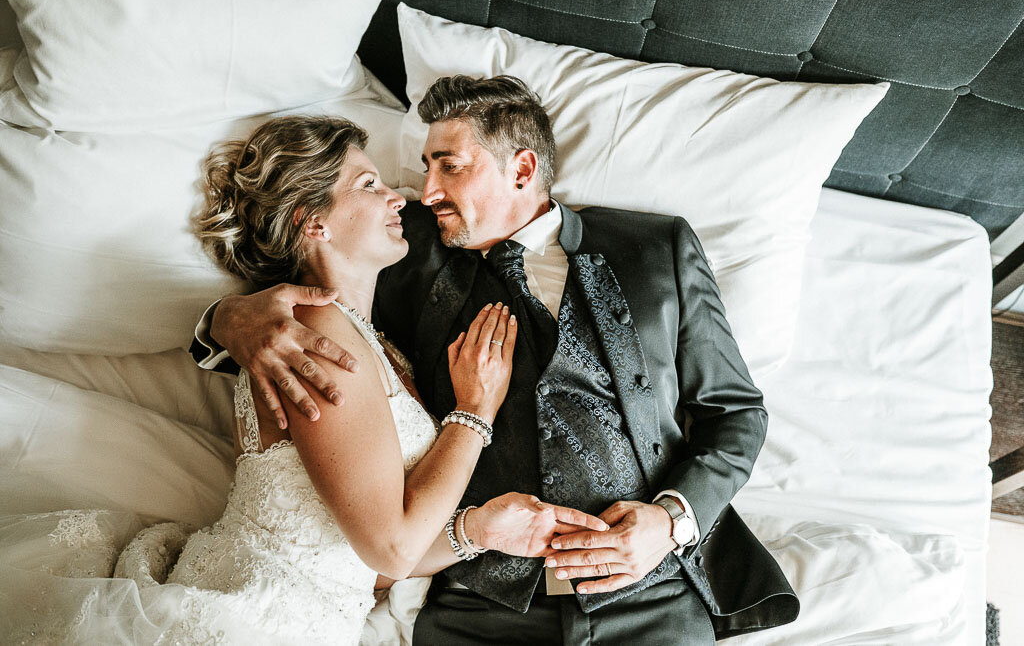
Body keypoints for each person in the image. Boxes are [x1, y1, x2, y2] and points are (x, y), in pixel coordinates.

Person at [196, 77, 801, 644]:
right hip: (481, 603)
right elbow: (309, 277)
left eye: (450, 166)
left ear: (522, 168)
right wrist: (227, 319)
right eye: (424, 168)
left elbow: (735, 413)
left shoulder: (654, 249)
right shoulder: (406, 251)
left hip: (652, 587)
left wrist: (670, 524)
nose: (424, 192)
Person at [0, 115, 607, 645]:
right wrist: (474, 412)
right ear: (311, 222)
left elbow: (367, 562)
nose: (400, 197)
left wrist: (478, 530)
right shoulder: (314, 329)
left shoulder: (376, 344)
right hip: (248, 621)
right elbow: (388, 548)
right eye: (369, 185)